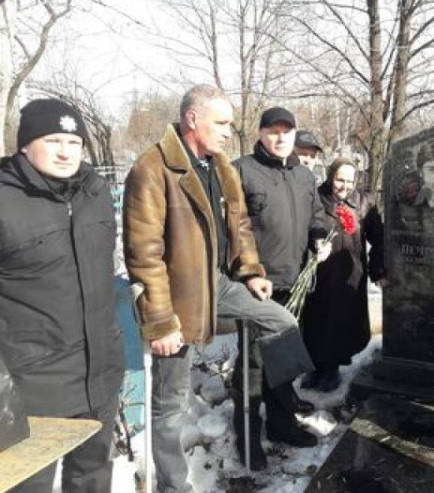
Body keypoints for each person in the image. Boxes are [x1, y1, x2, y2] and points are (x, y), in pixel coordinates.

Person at [123, 86, 314, 488]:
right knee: (169, 405)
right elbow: (144, 254)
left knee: (280, 322)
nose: (230, 132)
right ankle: (174, 485)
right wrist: (160, 323)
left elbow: (241, 228)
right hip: (176, 298)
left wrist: (251, 271)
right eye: (222, 123)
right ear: (194, 119)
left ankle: (278, 411)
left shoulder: (220, 165)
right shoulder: (152, 169)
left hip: (219, 283)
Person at [0, 99, 124, 491]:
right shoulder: (5, 200)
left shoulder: (94, 190)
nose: (65, 151)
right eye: (53, 140)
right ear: (24, 145)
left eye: (74, 142)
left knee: (92, 478)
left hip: (99, 374)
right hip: (33, 386)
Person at [232, 107, 331, 463]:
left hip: (294, 283)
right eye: (273, 131)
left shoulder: (303, 176)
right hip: (256, 286)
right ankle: (246, 436)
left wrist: (319, 238)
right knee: (255, 365)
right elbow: (232, 231)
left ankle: (281, 423)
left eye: (286, 131)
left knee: (284, 361)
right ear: (260, 134)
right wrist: (248, 272)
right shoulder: (241, 171)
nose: (280, 137)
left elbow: (316, 216)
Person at [299, 157, 386, 392]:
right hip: (319, 274)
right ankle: (315, 367)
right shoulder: (315, 198)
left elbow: (378, 239)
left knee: (341, 323)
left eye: (349, 181)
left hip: (350, 274)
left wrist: (378, 270)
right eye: (339, 179)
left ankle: (332, 369)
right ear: (330, 177)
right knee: (316, 322)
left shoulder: (364, 202)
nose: (344, 186)